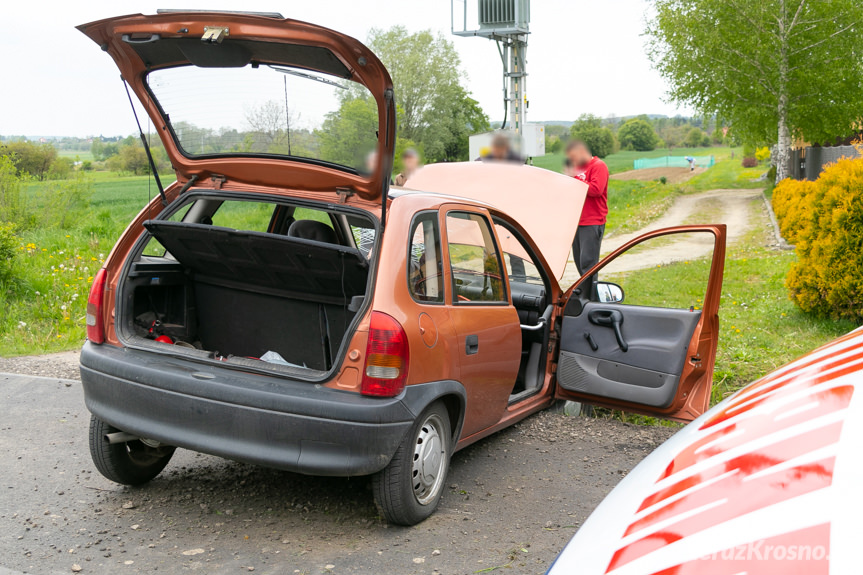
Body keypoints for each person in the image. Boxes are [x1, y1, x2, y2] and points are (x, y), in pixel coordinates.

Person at [566, 140, 609, 295]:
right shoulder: (578, 168)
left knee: (588, 264)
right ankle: (586, 295)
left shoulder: (598, 166)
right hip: (577, 221)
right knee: (579, 261)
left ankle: (591, 298)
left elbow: (596, 190)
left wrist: (574, 179)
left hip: (592, 221)